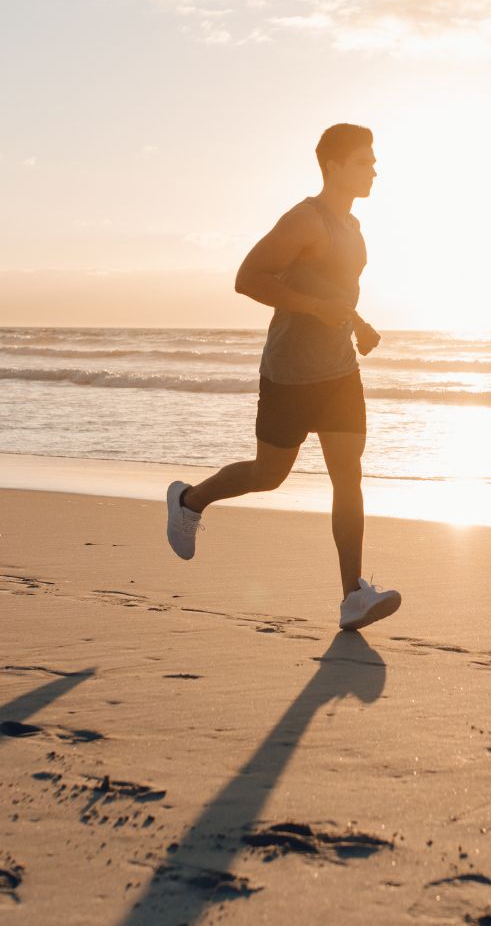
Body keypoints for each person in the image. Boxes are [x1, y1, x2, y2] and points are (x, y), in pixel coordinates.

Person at [164, 123, 402, 632]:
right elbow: (247, 278)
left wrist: (357, 324)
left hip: (339, 371)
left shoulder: (353, 227)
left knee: (348, 478)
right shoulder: (304, 220)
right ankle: (189, 500)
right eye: (365, 161)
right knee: (268, 476)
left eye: (374, 160)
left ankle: (352, 597)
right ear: (333, 166)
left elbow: (334, 289)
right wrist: (316, 308)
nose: (375, 169)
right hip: (290, 374)